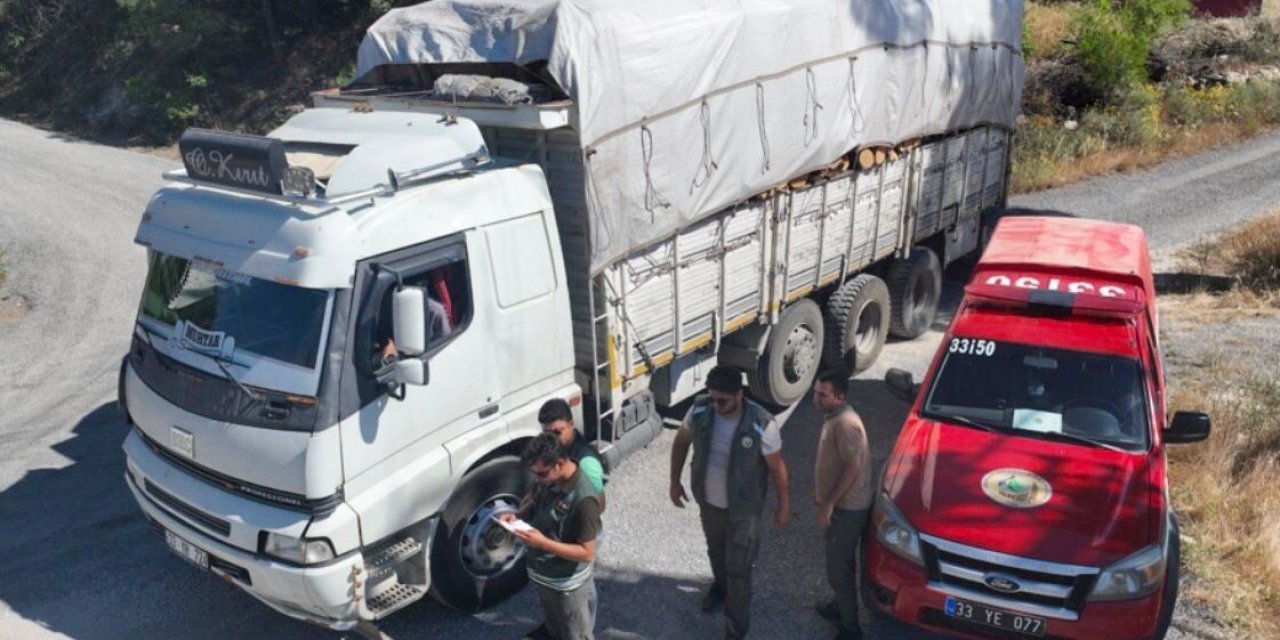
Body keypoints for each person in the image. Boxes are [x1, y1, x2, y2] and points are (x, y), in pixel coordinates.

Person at [668, 365, 791, 639]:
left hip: (743, 512)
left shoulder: (761, 423)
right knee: (716, 554)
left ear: (740, 394)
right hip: (710, 505)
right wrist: (674, 481)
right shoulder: (701, 410)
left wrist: (783, 506)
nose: (714, 405)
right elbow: (681, 442)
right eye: (711, 398)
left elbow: (777, 468)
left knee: (739, 570)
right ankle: (721, 588)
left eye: (721, 400)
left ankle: (735, 630)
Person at [504, 434, 603, 640]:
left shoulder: (584, 499)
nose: (537, 478)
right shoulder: (549, 478)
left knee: (575, 633)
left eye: (540, 474)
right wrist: (517, 517)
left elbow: (587, 552)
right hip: (545, 577)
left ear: (559, 463)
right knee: (555, 629)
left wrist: (543, 543)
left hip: (566, 587)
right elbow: (536, 500)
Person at [811, 370, 873, 640]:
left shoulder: (845, 424)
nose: (816, 399)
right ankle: (840, 606)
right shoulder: (833, 416)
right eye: (816, 392)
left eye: (822, 395)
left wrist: (829, 503)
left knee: (839, 569)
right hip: (840, 504)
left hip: (847, 509)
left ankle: (850, 629)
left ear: (840, 396)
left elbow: (853, 466)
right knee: (838, 564)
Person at [538, 398, 606, 493]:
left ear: (571, 424)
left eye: (557, 432)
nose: (552, 438)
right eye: (547, 434)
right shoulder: (554, 449)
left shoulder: (586, 463)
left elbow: (597, 502)